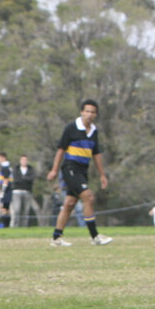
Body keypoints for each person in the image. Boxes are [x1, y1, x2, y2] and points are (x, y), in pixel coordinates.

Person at [47, 99, 112, 246]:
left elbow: (96, 154)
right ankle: (95, 236)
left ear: (96, 115)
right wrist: (54, 170)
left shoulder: (94, 131)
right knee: (88, 197)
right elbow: (61, 149)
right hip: (70, 168)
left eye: (92, 112)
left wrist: (102, 174)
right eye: (87, 111)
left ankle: (56, 238)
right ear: (82, 112)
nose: (89, 114)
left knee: (69, 203)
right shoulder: (71, 128)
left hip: (83, 171)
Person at [10, 155, 42, 227]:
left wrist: (22, 179)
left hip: (27, 191)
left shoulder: (31, 169)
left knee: (26, 211)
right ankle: (15, 226)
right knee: (17, 209)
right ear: (20, 161)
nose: (24, 161)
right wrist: (24, 179)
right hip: (17, 191)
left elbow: (31, 179)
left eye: (25, 160)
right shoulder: (16, 169)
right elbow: (16, 179)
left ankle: (24, 226)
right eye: (23, 160)